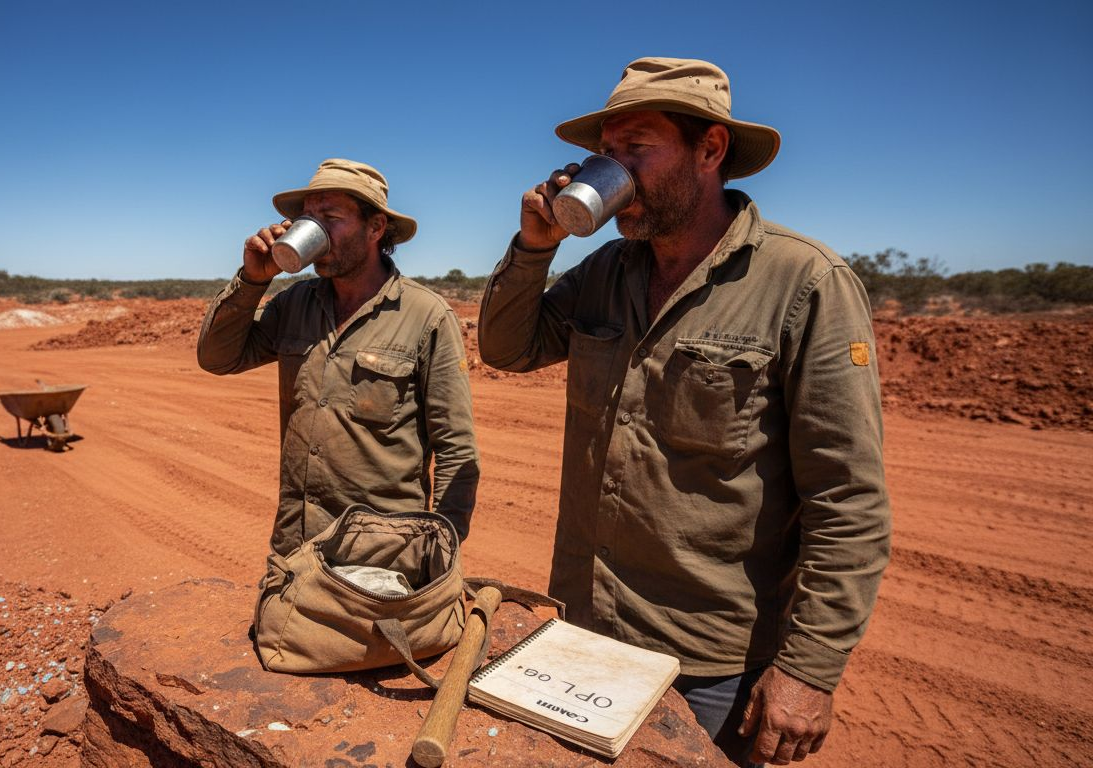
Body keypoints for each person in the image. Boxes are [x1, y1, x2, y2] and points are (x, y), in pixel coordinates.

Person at [478, 57, 890, 766]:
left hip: (710, 667)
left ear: (710, 150)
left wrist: (809, 670)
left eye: (636, 147)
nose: (613, 169)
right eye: (605, 154)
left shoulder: (804, 281)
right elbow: (507, 348)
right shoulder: (606, 271)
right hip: (585, 625)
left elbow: (848, 498)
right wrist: (534, 249)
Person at [198, 158, 479, 558]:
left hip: (384, 558)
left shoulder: (426, 315)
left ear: (376, 227)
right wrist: (253, 280)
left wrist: (438, 554)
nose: (314, 229)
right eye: (308, 218)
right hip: (296, 548)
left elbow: (456, 448)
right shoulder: (294, 303)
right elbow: (217, 357)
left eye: (331, 216)